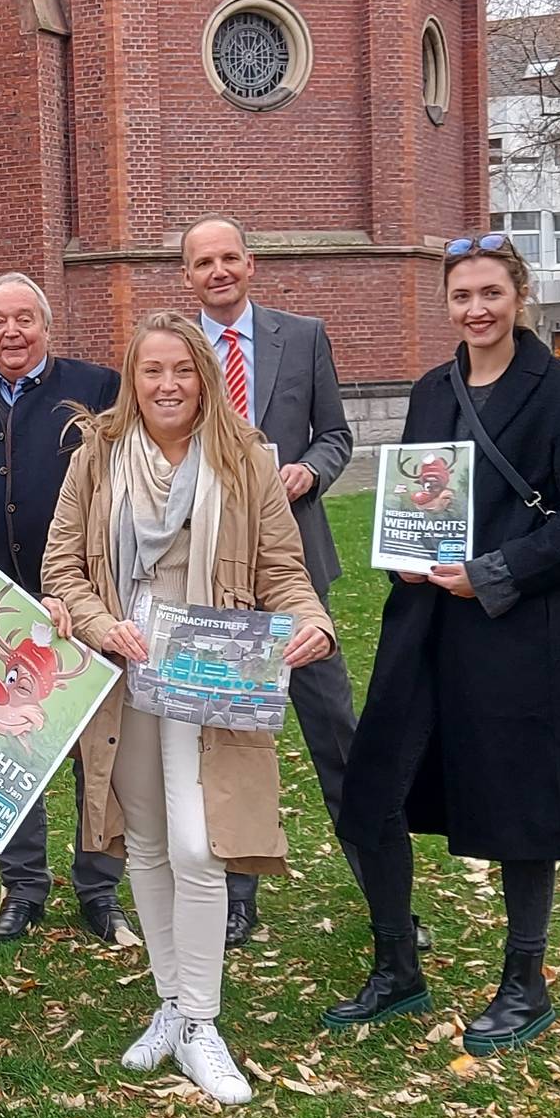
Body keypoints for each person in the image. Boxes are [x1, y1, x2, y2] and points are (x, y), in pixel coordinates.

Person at [328, 235, 560, 1054]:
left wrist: (494, 571)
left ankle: (524, 981)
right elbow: (422, 498)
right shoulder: (433, 390)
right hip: (423, 626)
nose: (477, 309)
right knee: (373, 789)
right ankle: (396, 964)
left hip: (513, 630)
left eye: (491, 293)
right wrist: (407, 559)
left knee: (520, 804)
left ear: (518, 296)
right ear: (448, 304)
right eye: (462, 296)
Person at [40, 312, 337, 1105]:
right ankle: (170, 1003)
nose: (167, 386)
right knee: (144, 840)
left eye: (182, 371)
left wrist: (314, 622)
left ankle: (203, 1020)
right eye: (151, 372)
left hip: (213, 672)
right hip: (126, 670)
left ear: (204, 376)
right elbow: (60, 565)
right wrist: (102, 626)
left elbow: (283, 567)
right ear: (132, 380)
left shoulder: (244, 460)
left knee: (200, 847)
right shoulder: (98, 458)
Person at [179, 215, 365, 949]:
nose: (218, 272)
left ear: (250, 264)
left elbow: (337, 435)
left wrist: (309, 471)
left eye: (229, 258)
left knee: (337, 734)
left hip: (296, 574)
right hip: (211, 582)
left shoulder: (304, 336)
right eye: (203, 263)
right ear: (187, 276)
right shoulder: (174, 351)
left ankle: (379, 882)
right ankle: (236, 897)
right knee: (232, 745)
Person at [0, 273, 127, 943]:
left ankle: (99, 886)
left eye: (24, 320)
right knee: (15, 743)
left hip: (82, 596)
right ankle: (23, 884)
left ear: (46, 325)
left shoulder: (94, 387)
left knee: (97, 749)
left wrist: (84, 585)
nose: (10, 334)